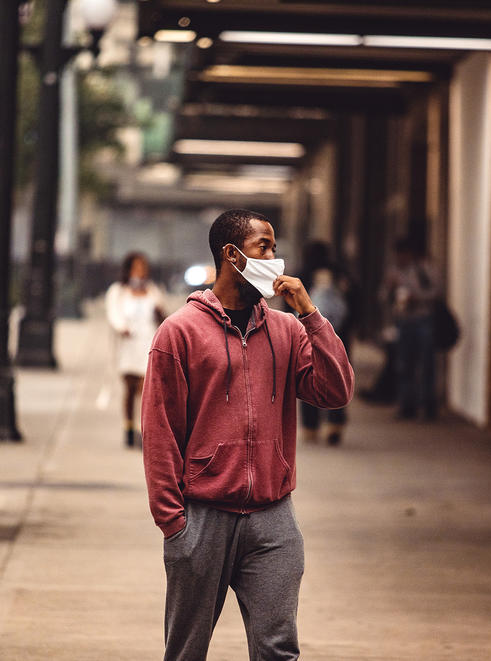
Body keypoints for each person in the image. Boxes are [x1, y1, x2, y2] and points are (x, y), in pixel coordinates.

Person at [142, 209, 354, 661]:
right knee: (186, 652)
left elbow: (336, 392)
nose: (274, 259)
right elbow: (160, 431)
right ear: (231, 255)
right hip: (202, 516)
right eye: (264, 247)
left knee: (278, 650)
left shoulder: (287, 330)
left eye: (275, 248)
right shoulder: (179, 333)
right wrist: (173, 522)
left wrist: (311, 315)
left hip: (273, 520)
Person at [296, 240, 357, 445]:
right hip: (338, 334)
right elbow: (356, 298)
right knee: (337, 375)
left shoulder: (302, 273)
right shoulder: (340, 273)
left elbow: (290, 305)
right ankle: (335, 423)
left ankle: (311, 426)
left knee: (307, 375)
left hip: (308, 334)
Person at [105, 252, 165, 447]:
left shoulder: (153, 290)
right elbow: (114, 314)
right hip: (128, 345)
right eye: (137, 266)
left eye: (143, 266)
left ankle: (142, 430)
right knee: (130, 388)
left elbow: (162, 314)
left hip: (147, 343)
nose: (140, 270)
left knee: (144, 387)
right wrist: (122, 327)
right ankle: (128, 427)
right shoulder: (118, 291)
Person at [381, 239, 443, 419]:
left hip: (424, 319)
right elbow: (383, 297)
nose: (400, 258)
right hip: (403, 320)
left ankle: (429, 404)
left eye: (403, 254)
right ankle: (407, 404)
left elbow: (437, 292)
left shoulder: (424, 269)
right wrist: (389, 288)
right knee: (404, 363)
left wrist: (419, 298)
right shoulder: (394, 272)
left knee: (426, 363)